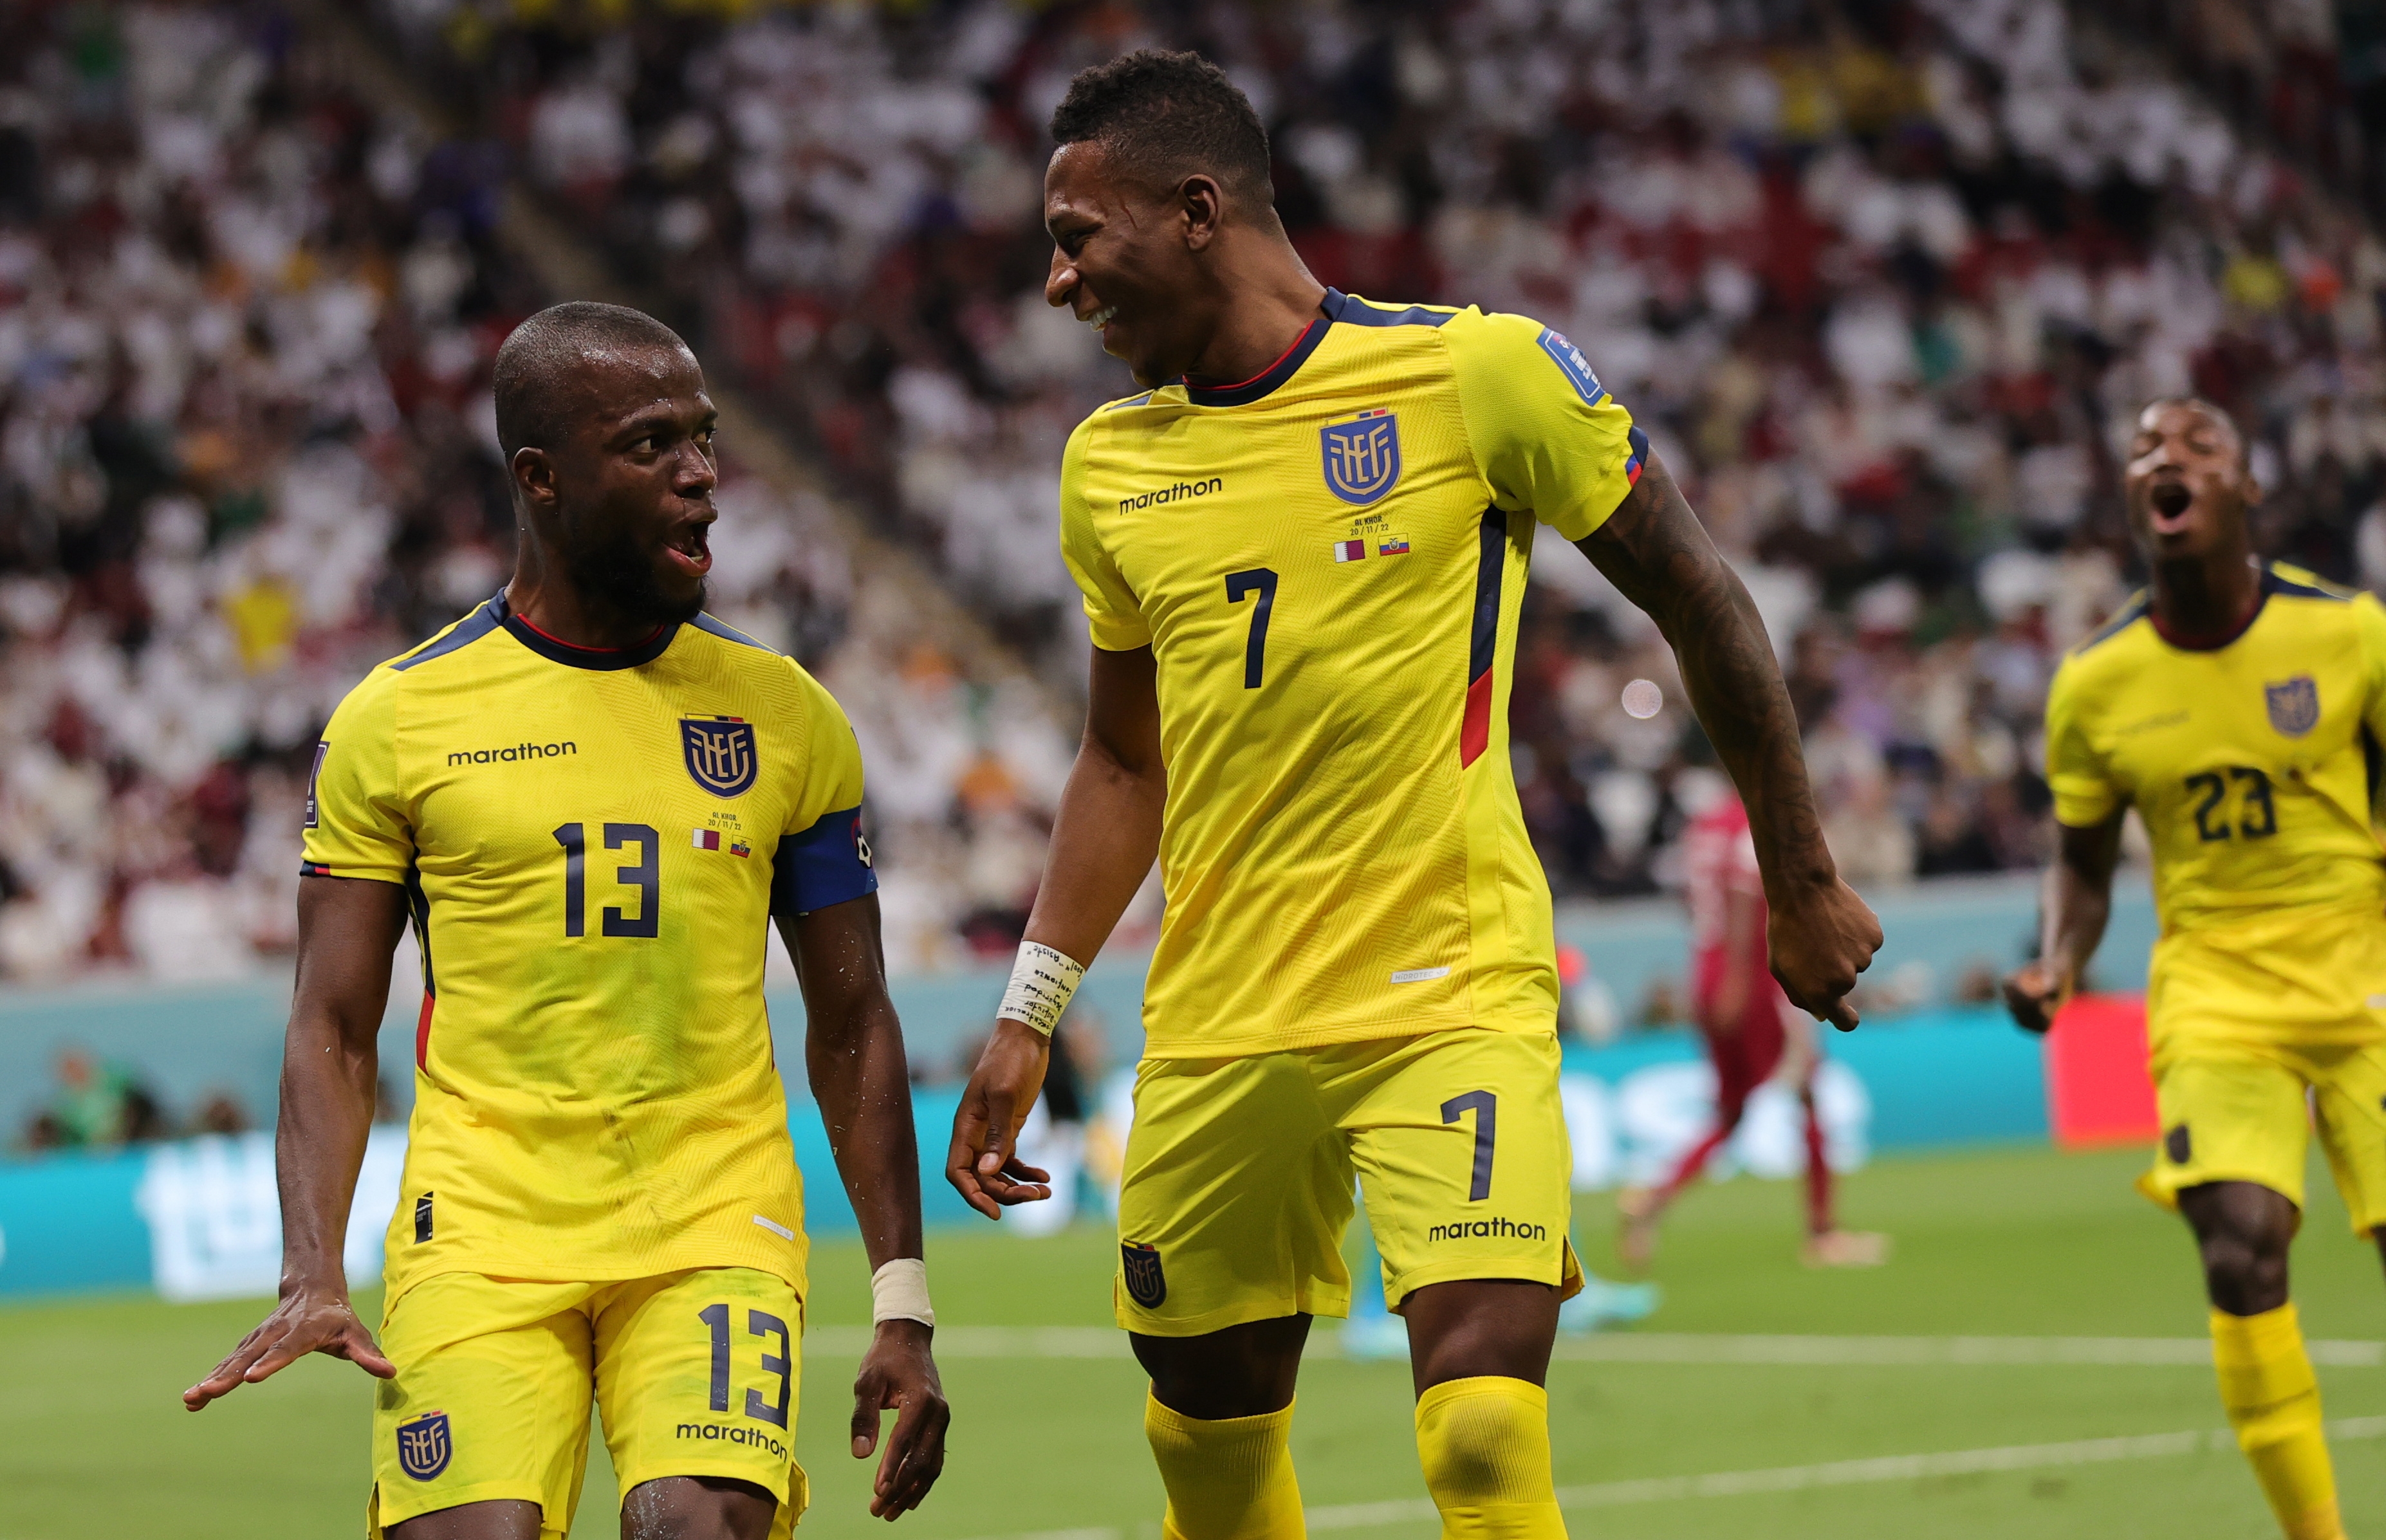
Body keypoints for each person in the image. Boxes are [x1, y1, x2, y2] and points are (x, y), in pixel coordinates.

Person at [945, 51, 1881, 1540]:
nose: (1058, 285)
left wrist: (1798, 872)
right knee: (1206, 1456)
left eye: (1077, 238)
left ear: (1195, 210)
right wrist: (1028, 1009)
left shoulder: (1474, 372)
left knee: (1485, 1438)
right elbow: (1123, 760)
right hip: (1217, 1025)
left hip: (1447, 993)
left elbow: (1698, 597)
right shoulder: (1104, 469)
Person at [181, 302, 950, 1540]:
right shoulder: (398, 720)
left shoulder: (785, 714)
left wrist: (902, 1299)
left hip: (711, 1214)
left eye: (703, 438)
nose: (702, 476)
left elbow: (854, 1015)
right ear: (540, 477)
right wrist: (312, 1266)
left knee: (690, 1528)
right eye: (653, 446)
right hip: (480, 1222)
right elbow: (331, 1020)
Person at [2005, 397, 2386, 1540]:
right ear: (2131, 502)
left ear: (2245, 489)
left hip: (2364, 967)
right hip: (2214, 987)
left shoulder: (2349, 632)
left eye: (2196, 444)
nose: (2164, 457)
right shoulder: (2094, 683)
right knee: (2238, 1246)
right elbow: (2078, 863)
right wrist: (2056, 962)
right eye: (2140, 449)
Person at [1617, 791, 1890, 1270]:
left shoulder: (1703, 823)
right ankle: (1823, 1235)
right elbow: (1747, 893)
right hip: (1752, 977)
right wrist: (1741, 978)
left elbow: (1692, 898)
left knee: (1730, 1113)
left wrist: (1716, 966)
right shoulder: (1754, 818)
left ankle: (1651, 1202)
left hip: (1705, 970)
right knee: (1807, 1086)